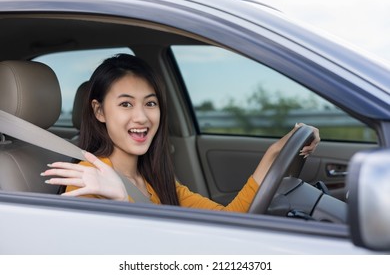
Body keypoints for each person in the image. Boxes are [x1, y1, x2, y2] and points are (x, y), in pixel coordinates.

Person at [41, 54, 320, 212]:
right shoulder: (87, 179)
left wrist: (274, 153)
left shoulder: (155, 179)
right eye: (126, 104)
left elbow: (229, 219)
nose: (142, 117)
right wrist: (121, 198)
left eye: (150, 103)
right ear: (99, 111)